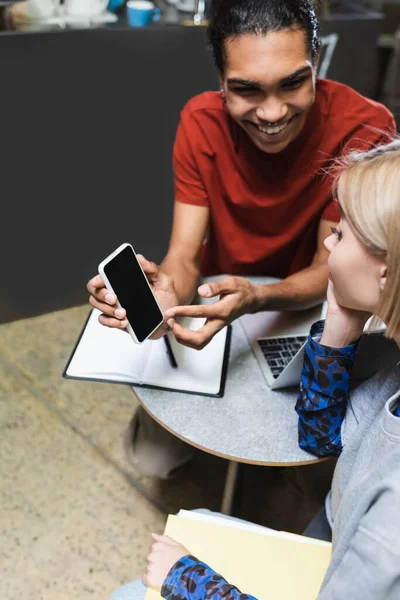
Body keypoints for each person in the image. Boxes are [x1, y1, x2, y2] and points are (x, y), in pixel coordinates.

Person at [87, 0, 395, 478]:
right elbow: (185, 255)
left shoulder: (363, 126)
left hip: (312, 310)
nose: (272, 113)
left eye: (293, 82)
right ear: (221, 86)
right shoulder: (200, 121)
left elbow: (327, 266)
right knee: (153, 461)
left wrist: (257, 296)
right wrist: (167, 291)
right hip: (221, 298)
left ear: (316, 65)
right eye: (247, 91)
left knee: (308, 459)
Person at [110, 139, 400, 600]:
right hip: (331, 544)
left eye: (341, 234)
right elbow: (321, 436)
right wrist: (341, 324)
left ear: (385, 274)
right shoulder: (393, 374)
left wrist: (188, 579)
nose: (327, 240)